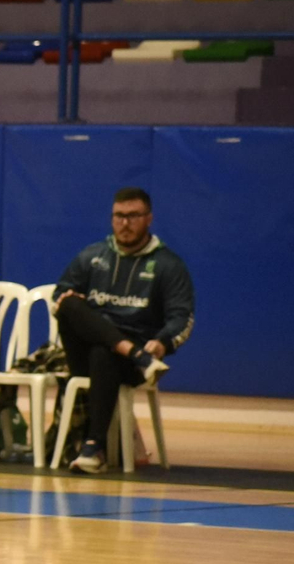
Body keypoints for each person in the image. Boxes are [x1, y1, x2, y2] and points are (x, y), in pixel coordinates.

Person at [54, 187, 193, 474]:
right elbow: (61, 295)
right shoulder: (93, 255)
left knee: (103, 353)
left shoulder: (168, 265)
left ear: (149, 218)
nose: (125, 223)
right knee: (69, 305)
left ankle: (93, 448)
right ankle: (135, 353)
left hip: (127, 365)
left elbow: (182, 318)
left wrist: (162, 343)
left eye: (133, 216)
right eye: (119, 216)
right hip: (89, 355)